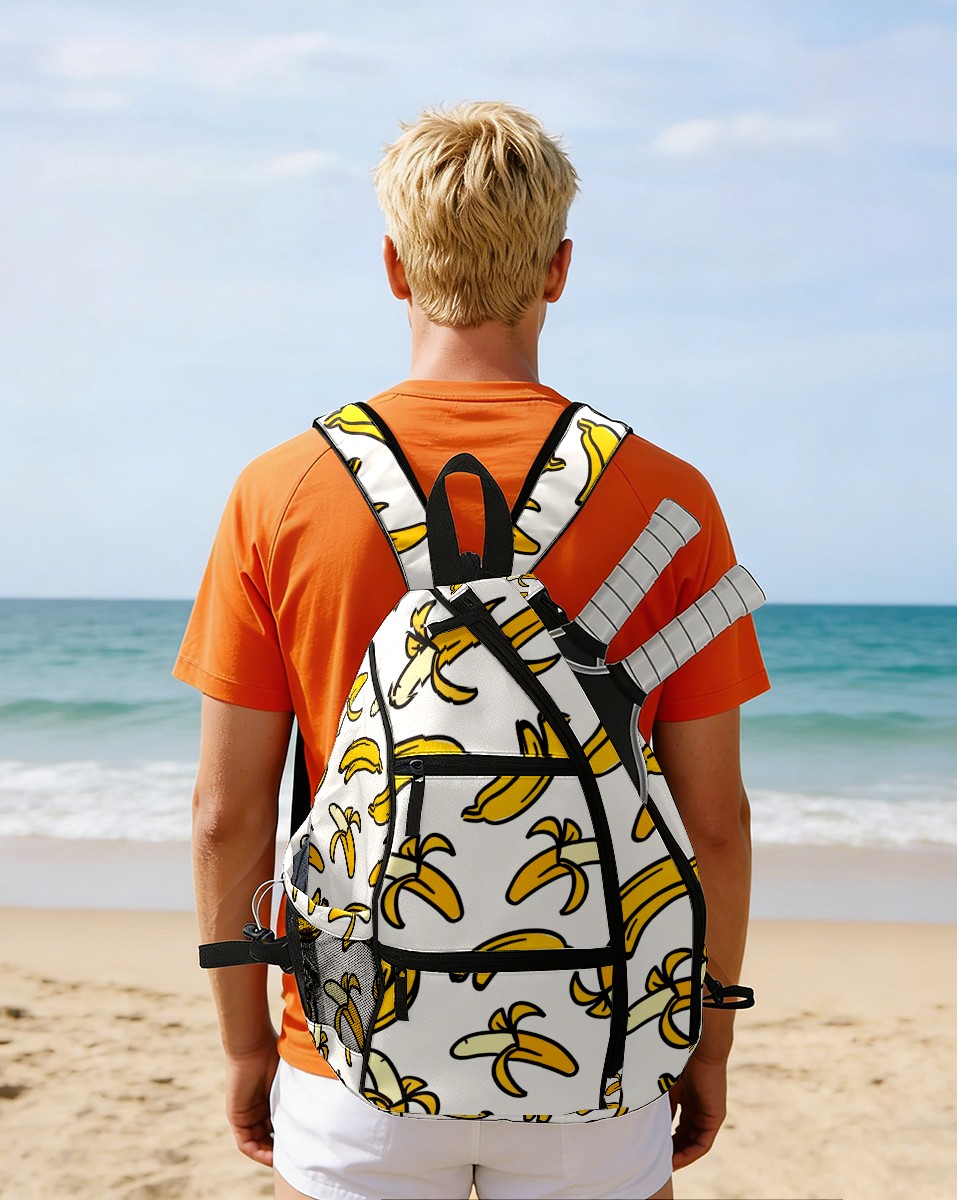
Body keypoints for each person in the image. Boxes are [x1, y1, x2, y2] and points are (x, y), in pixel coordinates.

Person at [175, 102, 769, 1200]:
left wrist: (248, 1043)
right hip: (597, 1040)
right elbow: (716, 824)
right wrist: (709, 1035)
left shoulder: (281, 490)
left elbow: (226, 812)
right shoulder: (669, 499)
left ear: (394, 267)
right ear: (559, 270)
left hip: (354, 1045)